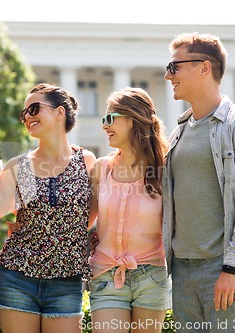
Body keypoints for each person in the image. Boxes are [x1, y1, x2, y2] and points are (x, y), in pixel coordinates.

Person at [163, 32, 235, 332]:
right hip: (182, 272)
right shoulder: (178, 134)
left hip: (224, 267)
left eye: (174, 67)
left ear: (204, 67)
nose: (167, 75)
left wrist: (233, 266)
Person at [0, 83, 96, 333]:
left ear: (60, 113)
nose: (28, 116)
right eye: (24, 113)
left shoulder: (87, 161)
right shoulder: (17, 166)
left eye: (35, 108)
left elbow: (91, 213)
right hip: (17, 277)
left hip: (66, 281)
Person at [88, 87, 171, 333]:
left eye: (110, 118)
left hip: (152, 275)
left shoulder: (165, 169)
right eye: (103, 119)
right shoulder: (102, 168)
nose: (104, 125)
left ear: (133, 119)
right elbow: (82, 221)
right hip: (106, 273)